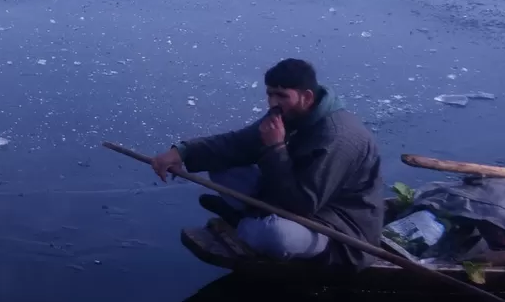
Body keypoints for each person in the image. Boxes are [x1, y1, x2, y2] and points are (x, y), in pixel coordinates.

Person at [150, 58, 384, 265]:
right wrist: (182, 152)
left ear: (307, 97)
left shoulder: (338, 138)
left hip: (338, 229)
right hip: (291, 198)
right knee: (221, 165)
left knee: (277, 236)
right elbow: (237, 144)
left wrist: (276, 147)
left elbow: (302, 205)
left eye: (281, 95)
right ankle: (252, 218)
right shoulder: (291, 112)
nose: (272, 102)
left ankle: (242, 222)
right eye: (270, 94)